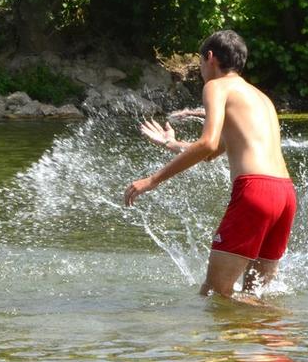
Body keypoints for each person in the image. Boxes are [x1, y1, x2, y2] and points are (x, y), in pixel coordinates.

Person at [124, 30, 296, 302]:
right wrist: (172, 143)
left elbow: (207, 144)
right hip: (284, 195)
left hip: (255, 192)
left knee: (216, 294)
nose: (201, 70)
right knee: (253, 296)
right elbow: (215, 150)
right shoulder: (259, 97)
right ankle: (285, 328)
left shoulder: (216, 87)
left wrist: (152, 180)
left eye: (200, 61)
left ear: (210, 57)